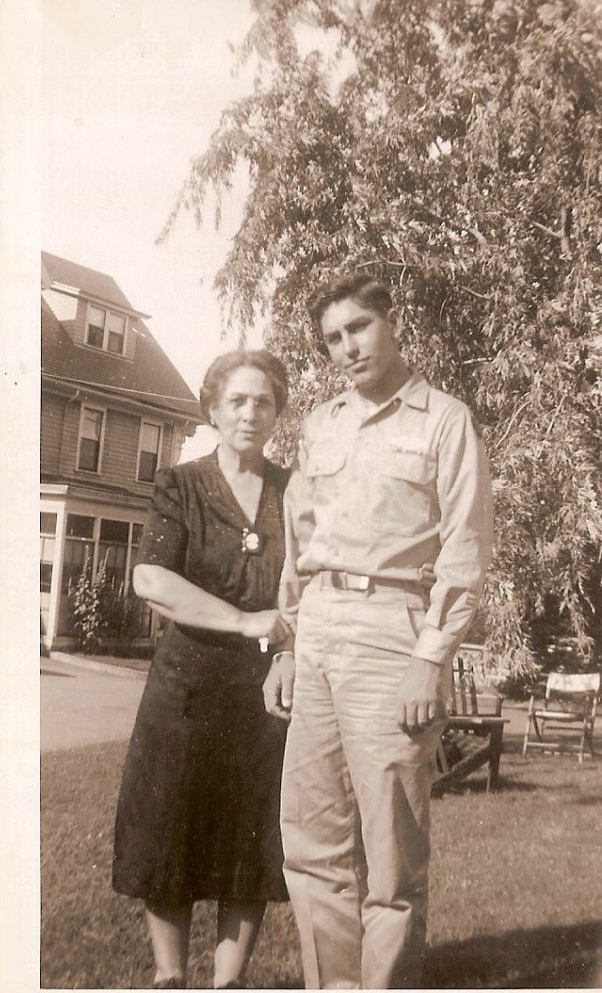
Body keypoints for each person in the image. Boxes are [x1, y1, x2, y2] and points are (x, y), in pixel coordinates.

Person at [264, 274, 494, 989]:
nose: (348, 348)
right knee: (311, 843)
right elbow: (299, 542)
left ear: (392, 322)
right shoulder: (321, 424)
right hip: (322, 625)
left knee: (390, 854)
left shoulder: (444, 420)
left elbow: (466, 549)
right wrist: (289, 644)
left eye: (359, 327)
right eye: (333, 339)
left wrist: (429, 660)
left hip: (392, 630)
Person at [113, 350, 292, 990]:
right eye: (238, 400)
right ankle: (169, 978)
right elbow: (152, 578)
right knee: (169, 832)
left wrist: (289, 650)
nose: (250, 412)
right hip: (184, 690)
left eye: (264, 400)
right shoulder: (180, 486)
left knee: (250, 842)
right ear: (213, 409)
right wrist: (247, 622)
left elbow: (305, 592)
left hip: (265, 696)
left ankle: (227, 983)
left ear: (278, 413)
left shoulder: (293, 492)